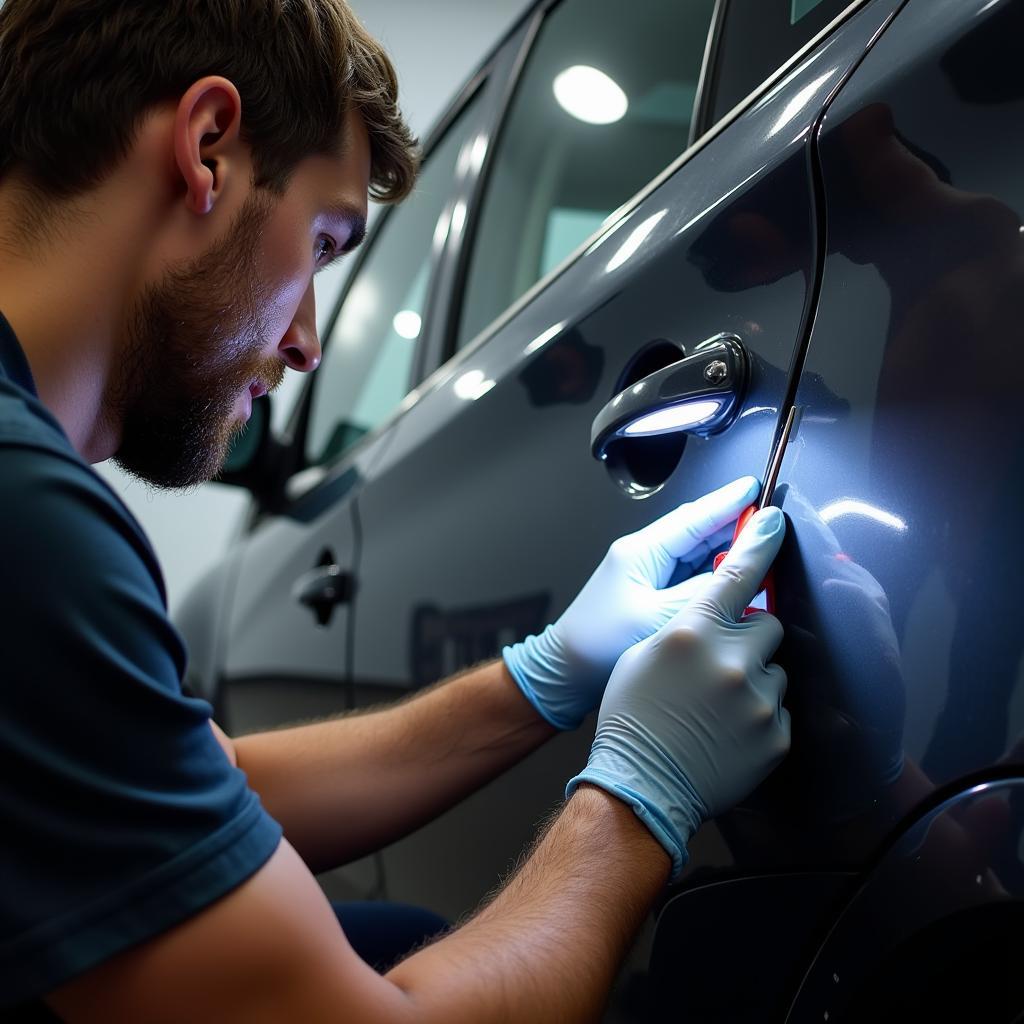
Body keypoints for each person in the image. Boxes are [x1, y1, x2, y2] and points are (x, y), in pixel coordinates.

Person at [0, 2, 790, 1020]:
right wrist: (640, 797)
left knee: (386, 938)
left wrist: (544, 675)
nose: (307, 345)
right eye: (325, 240)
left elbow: (212, 785)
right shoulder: (28, 517)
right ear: (205, 150)